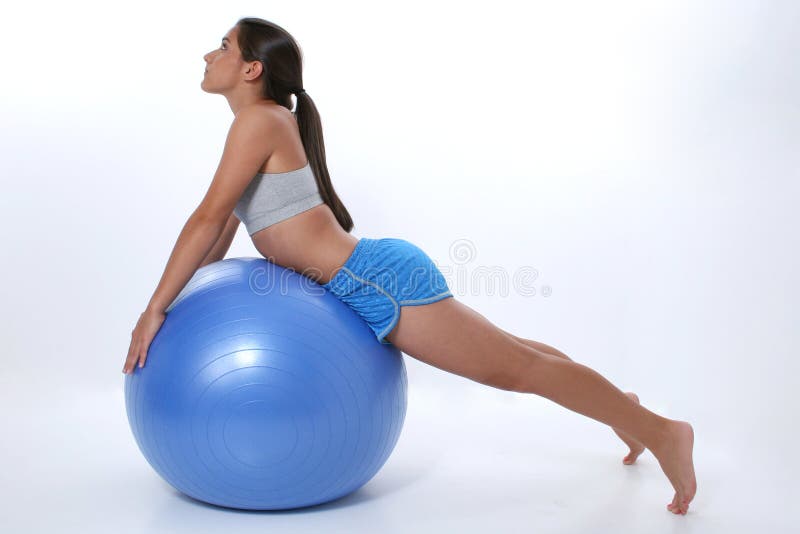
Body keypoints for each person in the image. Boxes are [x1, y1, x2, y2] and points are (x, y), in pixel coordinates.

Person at [121, 17, 697, 515]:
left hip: (374, 281)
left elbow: (204, 220)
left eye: (222, 45)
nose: (208, 54)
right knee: (518, 353)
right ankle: (625, 410)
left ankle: (666, 434)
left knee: (516, 369)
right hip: (369, 277)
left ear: (251, 70)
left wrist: (153, 310)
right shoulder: (262, 122)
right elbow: (219, 229)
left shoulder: (260, 120)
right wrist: (175, 303)